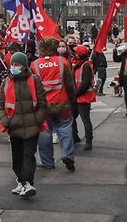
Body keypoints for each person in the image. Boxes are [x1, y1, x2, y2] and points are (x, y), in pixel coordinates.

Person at [0, 51, 48, 199]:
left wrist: (37, 119)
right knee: (17, 156)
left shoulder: (34, 80)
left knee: (28, 155)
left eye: (17, 64)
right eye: (12, 64)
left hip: (32, 126)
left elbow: (42, 102)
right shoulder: (6, 82)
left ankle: (27, 182)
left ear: (24, 66)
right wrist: (5, 120)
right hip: (14, 126)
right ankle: (20, 180)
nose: (14, 67)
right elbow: (0, 104)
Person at [31, 37, 77, 172]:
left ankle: (47, 162)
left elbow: (32, 86)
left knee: (44, 132)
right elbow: (69, 84)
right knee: (65, 128)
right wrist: (72, 100)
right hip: (62, 103)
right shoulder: (63, 62)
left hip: (43, 105)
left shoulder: (35, 64)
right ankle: (67, 155)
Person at [71, 45, 96, 151]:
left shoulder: (85, 65)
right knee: (72, 118)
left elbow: (85, 83)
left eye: (76, 53)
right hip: (78, 96)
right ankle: (75, 137)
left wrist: (75, 94)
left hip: (83, 97)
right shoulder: (78, 64)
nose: (75, 54)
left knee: (85, 120)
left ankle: (88, 142)